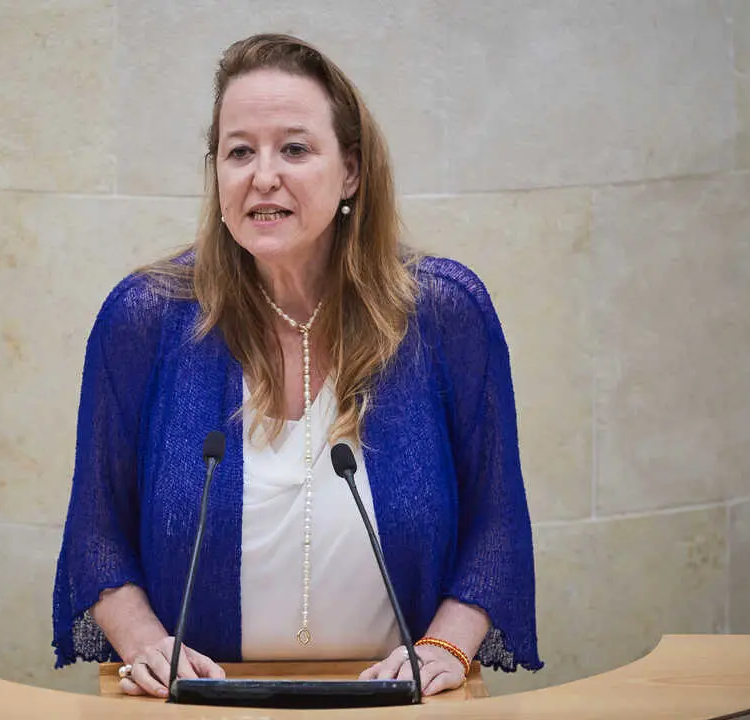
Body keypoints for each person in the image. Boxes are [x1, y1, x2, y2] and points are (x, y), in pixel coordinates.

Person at [52, 33, 542, 697]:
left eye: (294, 149)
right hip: (201, 702)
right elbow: (97, 530)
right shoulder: (146, 318)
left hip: (397, 702)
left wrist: (445, 646)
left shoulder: (442, 313)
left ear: (351, 172)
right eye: (239, 152)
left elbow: (497, 521)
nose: (263, 176)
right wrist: (146, 645)